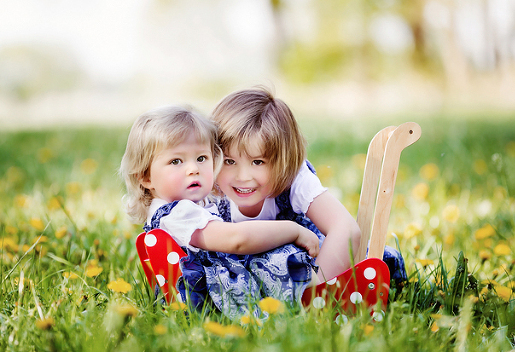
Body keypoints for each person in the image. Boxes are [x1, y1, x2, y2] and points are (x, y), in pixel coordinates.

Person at [120, 105, 320, 319]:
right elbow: (237, 240)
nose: (193, 169)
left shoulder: (183, 207)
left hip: (219, 283)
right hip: (215, 292)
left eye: (201, 158)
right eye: (176, 161)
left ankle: (318, 302)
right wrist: (293, 230)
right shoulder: (178, 214)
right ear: (145, 177)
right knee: (284, 257)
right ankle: (323, 303)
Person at [209, 86, 407, 283]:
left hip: (303, 259)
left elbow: (346, 230)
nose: (243, 176)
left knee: (375, 263)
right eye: (229, 161)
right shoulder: (202, 181)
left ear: (283, 161)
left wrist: (317, 291)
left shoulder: (295, 178)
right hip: (239, 264)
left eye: (258, 162)